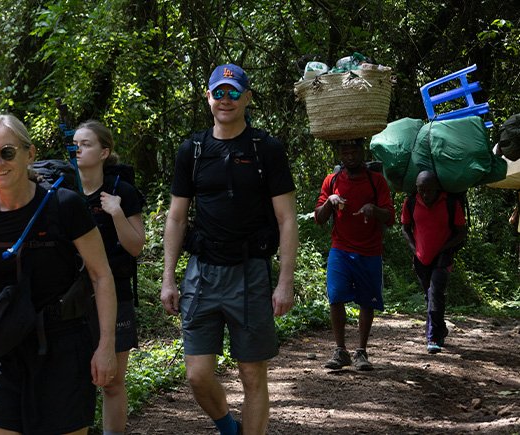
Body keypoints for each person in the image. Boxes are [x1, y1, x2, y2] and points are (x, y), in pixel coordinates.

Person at [0, 114, 117, 435]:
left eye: (7, 152)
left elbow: (101, 275)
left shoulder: (65, 206)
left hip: (62, 344)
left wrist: (106, 346)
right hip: (1, 347)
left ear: (30, 154)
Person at [161, 64, 299, 435]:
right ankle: (227, 425)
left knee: (252, 375)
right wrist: (168, 278)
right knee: (197, 374)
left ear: (247, 98)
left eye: (234, 92)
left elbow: (287, 219)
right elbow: (176, 218)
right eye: (218, 92)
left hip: (250, 272)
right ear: (207, 97)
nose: (226, 99)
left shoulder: (266, 149)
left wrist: (284, 282)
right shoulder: (192, 150)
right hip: (202, 273)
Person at [74, 120, 145, 435]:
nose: (77, 149)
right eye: (74, 143)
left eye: (86, 144)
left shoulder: (123, 192)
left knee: (112, 381)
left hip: (116, 293)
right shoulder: (61, 191)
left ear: (104, 152)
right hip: (70, 296)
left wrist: (116, 212)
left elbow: (135, 246)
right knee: (73, 379)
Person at [314, 139, 394, 371]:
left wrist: (373, 209)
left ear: (362, 152)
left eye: (354, 150)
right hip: (340, 248)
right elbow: (319, 217)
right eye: (344, 151)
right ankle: (340, 351)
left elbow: (390, 216)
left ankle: (361, 352)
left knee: (366, 300)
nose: (349, 155)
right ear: (339, 154)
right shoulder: (332, 181)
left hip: (370, 250)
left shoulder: (376, 181)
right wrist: (330, 201)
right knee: (336, 297)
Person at [400, 171, 467, 354]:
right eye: (421, 190)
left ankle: (432, 338)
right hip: (421, 258)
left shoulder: (450, 203)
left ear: (437, 188)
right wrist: (415, 250)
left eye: (429, 190)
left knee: (435, 293)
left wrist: (444, 248)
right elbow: (405, 229)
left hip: (442, 257)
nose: (425, 194)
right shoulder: (411, 202)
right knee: (430, 296)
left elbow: (461, 232)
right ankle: (441, 328)